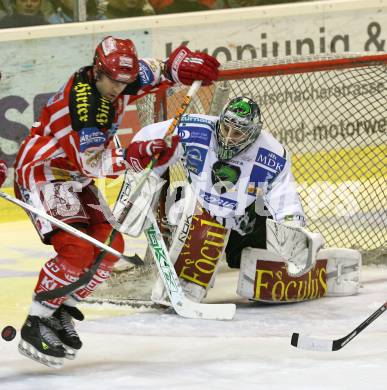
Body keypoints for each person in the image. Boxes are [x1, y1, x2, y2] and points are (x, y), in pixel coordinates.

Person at [13, 35, 219, 368]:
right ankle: (37, 320)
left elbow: (156, 71)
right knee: (77, 250)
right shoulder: (84, 108)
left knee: (111, 246)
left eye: (125, 82)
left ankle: (61, 311)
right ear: (97, 72)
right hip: (44, 172)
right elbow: (91, 163)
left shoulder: (118, 76)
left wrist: (178, 67)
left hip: (74, 172)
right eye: (113, 81)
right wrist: (136, 155)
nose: (119, 89)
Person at [132, 96, 314, 303]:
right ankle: (183, 281)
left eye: (237, 133)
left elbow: (285, 199)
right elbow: (147, 138)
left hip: (243, 218)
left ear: (253, 133)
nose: (228, 138)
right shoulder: (194, 127)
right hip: (197, 208)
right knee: (191, 219)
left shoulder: (272, 154)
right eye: (226, 128)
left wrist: (293, 232)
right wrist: (141, 158)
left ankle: (278, 262)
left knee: (261, 262)